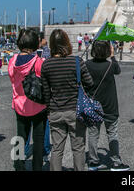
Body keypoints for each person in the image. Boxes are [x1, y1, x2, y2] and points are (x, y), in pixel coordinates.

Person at [41, 29, 95, 171]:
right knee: (78, 148)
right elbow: (90, 83)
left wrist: (48, 110)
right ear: (67, 43)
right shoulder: (77, 62)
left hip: (55, 110)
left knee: (57, 149)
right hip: (75, 110)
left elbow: (46, 92)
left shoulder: (46, 65)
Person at [85, 41, 130, 171]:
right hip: (110, 105)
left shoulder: (87, 65)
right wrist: (113, 55)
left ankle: (93, 161)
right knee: (112, 133)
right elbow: (118, 70)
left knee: (93, 134)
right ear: (106, 51)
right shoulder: (110, 66)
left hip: (93, 106)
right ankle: (116, 161)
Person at [8, 29, 47, 171]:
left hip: (19, 105)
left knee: (20, 138)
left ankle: (19, 166)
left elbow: (12, 79)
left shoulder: (13, 61)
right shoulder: (38, 61)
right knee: (38, 139)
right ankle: (37, 166)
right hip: (38, 105)